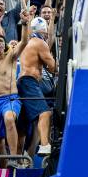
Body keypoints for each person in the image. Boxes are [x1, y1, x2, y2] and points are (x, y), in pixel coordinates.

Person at [0, 10, 30, 167]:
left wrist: (25, 23)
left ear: (5, 45)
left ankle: (14, 158)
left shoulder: (11, 57)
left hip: (10, 99)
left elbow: (24, 41)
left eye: (1, 41)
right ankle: (4, 169)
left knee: (9, 118)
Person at [18, 16, 56, 155]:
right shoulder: (40, 43)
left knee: (25, 123)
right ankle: (45, 145)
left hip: (23, 82)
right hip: (29, 81)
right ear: (44, 32)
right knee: (45, 113)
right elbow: (53, 67)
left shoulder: (27, 43)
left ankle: (21, 157)